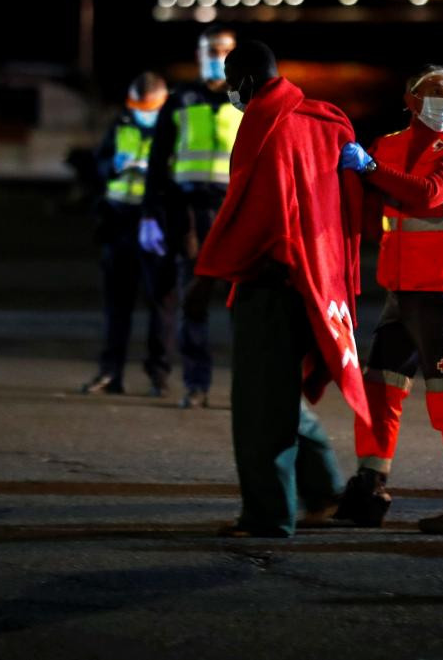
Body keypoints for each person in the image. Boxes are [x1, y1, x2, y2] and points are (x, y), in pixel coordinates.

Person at [184, 40, 369, 537]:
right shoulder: (325, 119)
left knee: (260, 406)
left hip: (272, 283)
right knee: (283, 396)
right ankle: (324, 488)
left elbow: (253, 212)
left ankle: (268, 516)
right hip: (318, 279)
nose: (228, 88)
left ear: (246, 79)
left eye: (230, 77)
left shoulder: (267, 123)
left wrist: (207, 276)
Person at [336, 64, 443, 535]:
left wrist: (368, 168)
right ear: (410, 100)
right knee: (380, 389)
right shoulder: (386, 146)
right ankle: (369, 488)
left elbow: (428, 196)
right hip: (400, 290)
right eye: (435, 90)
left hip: (439, 293)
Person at [141, 26, 241, 408]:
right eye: (210, 50)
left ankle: (243, 384)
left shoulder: (246, 102)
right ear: (200, 55)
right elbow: (157, 160)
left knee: (240, 305)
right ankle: (196, 384)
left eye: (224, 51)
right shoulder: (180, 100)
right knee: (193, 302)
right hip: (189, 213)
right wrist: (151, 213)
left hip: (235, 211)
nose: (217, 57)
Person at [81, 72, 176, 397]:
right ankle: (111, 373)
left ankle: (158, 375)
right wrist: (113, 166)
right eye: (137, 105)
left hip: (157, 225)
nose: (142, 112)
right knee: (116, 305)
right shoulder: (121, 125)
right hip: (119, 222)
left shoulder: (176, 128)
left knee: (161, 305)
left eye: (148, 106)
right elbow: (99, 163)